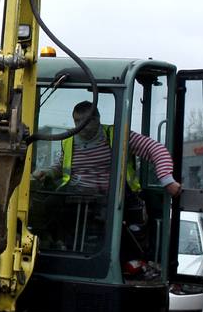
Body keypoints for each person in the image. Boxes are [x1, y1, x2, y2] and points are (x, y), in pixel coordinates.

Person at [33, 101, 181, 272]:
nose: (81, 126)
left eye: (86, 121)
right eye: (76, 121)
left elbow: (155, 149)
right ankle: (50, 247)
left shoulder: (116, 135)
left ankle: (133, 261)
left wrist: (167, 179)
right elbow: (60, 166)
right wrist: (47, 173)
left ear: (97, 119)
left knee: (127, 227)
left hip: (112, 198)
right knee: (43, 208)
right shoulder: (68, 141)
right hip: (75, 196)